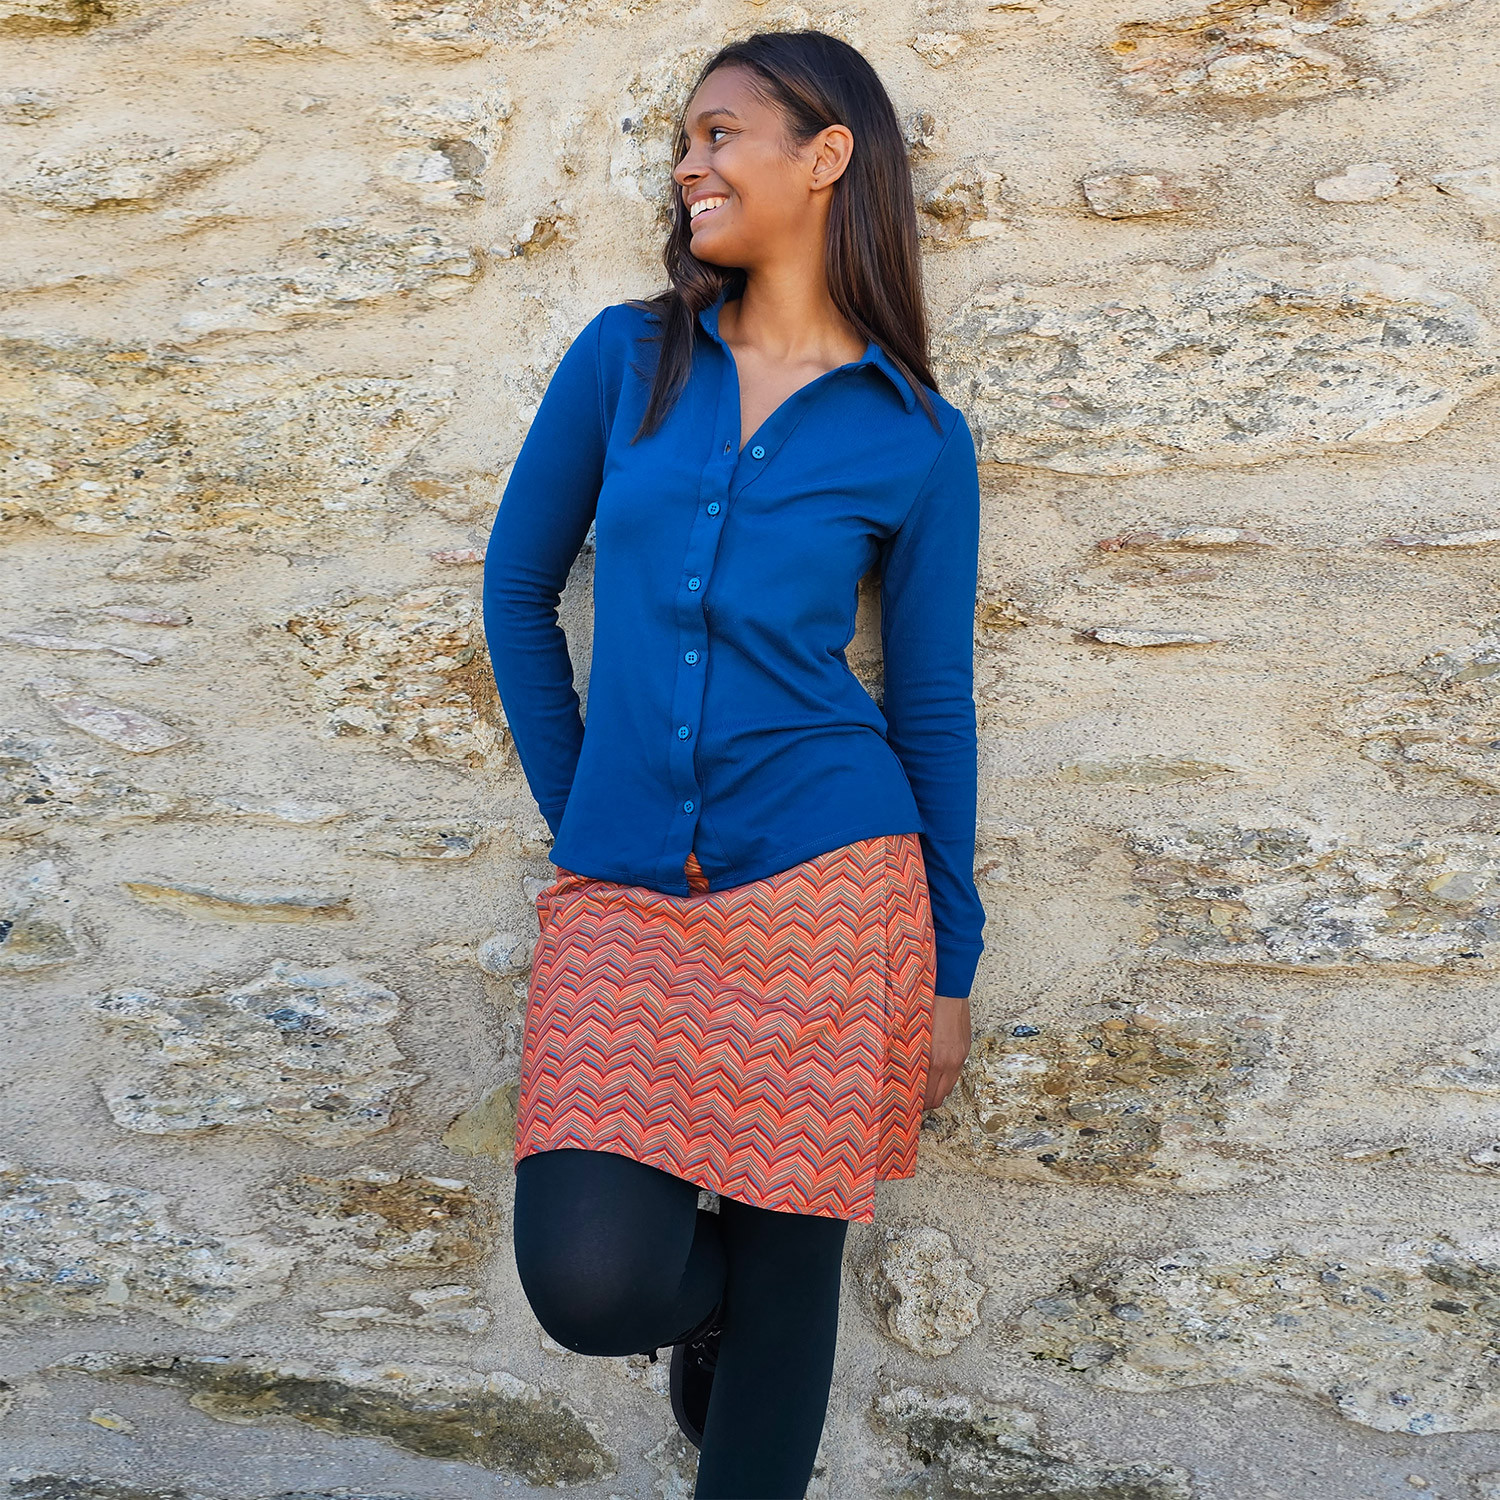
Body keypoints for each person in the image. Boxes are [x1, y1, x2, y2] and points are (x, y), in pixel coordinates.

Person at [482, 28, 985, 1500]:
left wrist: (949, 966)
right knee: (592, 1279)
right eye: (683, 143)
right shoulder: (627, 358)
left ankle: (756, 1347)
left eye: (721, 135)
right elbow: (518, 591)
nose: (689, 167)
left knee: (792, 1261)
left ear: (826, 157)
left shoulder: (914, 435)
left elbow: (932, 707)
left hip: (833, 883)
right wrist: (585, 807)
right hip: (625, 893)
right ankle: (715, 1318)